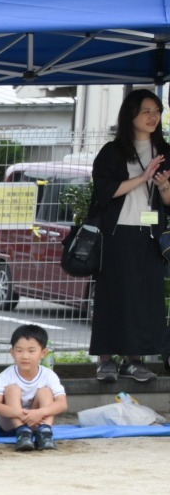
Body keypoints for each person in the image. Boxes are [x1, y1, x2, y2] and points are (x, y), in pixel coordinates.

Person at [89, 87, 170, 385]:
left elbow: (168, 201)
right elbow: (105, 192)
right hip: (116, 233)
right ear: (131, 115)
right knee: (113, 295)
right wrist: (143, 177)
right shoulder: (112, 152)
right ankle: (106, 359)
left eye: (157, 111)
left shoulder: (166, 152)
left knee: (145, 298)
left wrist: (162, 186)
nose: (153, 117)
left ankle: (134, 361)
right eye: (146, 111)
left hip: (151, 235)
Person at [0, 323, 68, 450]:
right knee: (12, 389)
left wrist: (39, 412)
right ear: (12, 352)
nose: (25, 356)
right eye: (19, 351)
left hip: (36, 422)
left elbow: (62, 404)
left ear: (43, 353)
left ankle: (45, 433)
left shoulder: (48, 375)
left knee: (46, 391)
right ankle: (22, 433)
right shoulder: (6, 376)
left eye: (31, 351)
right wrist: (21, 414)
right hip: (7, 425)